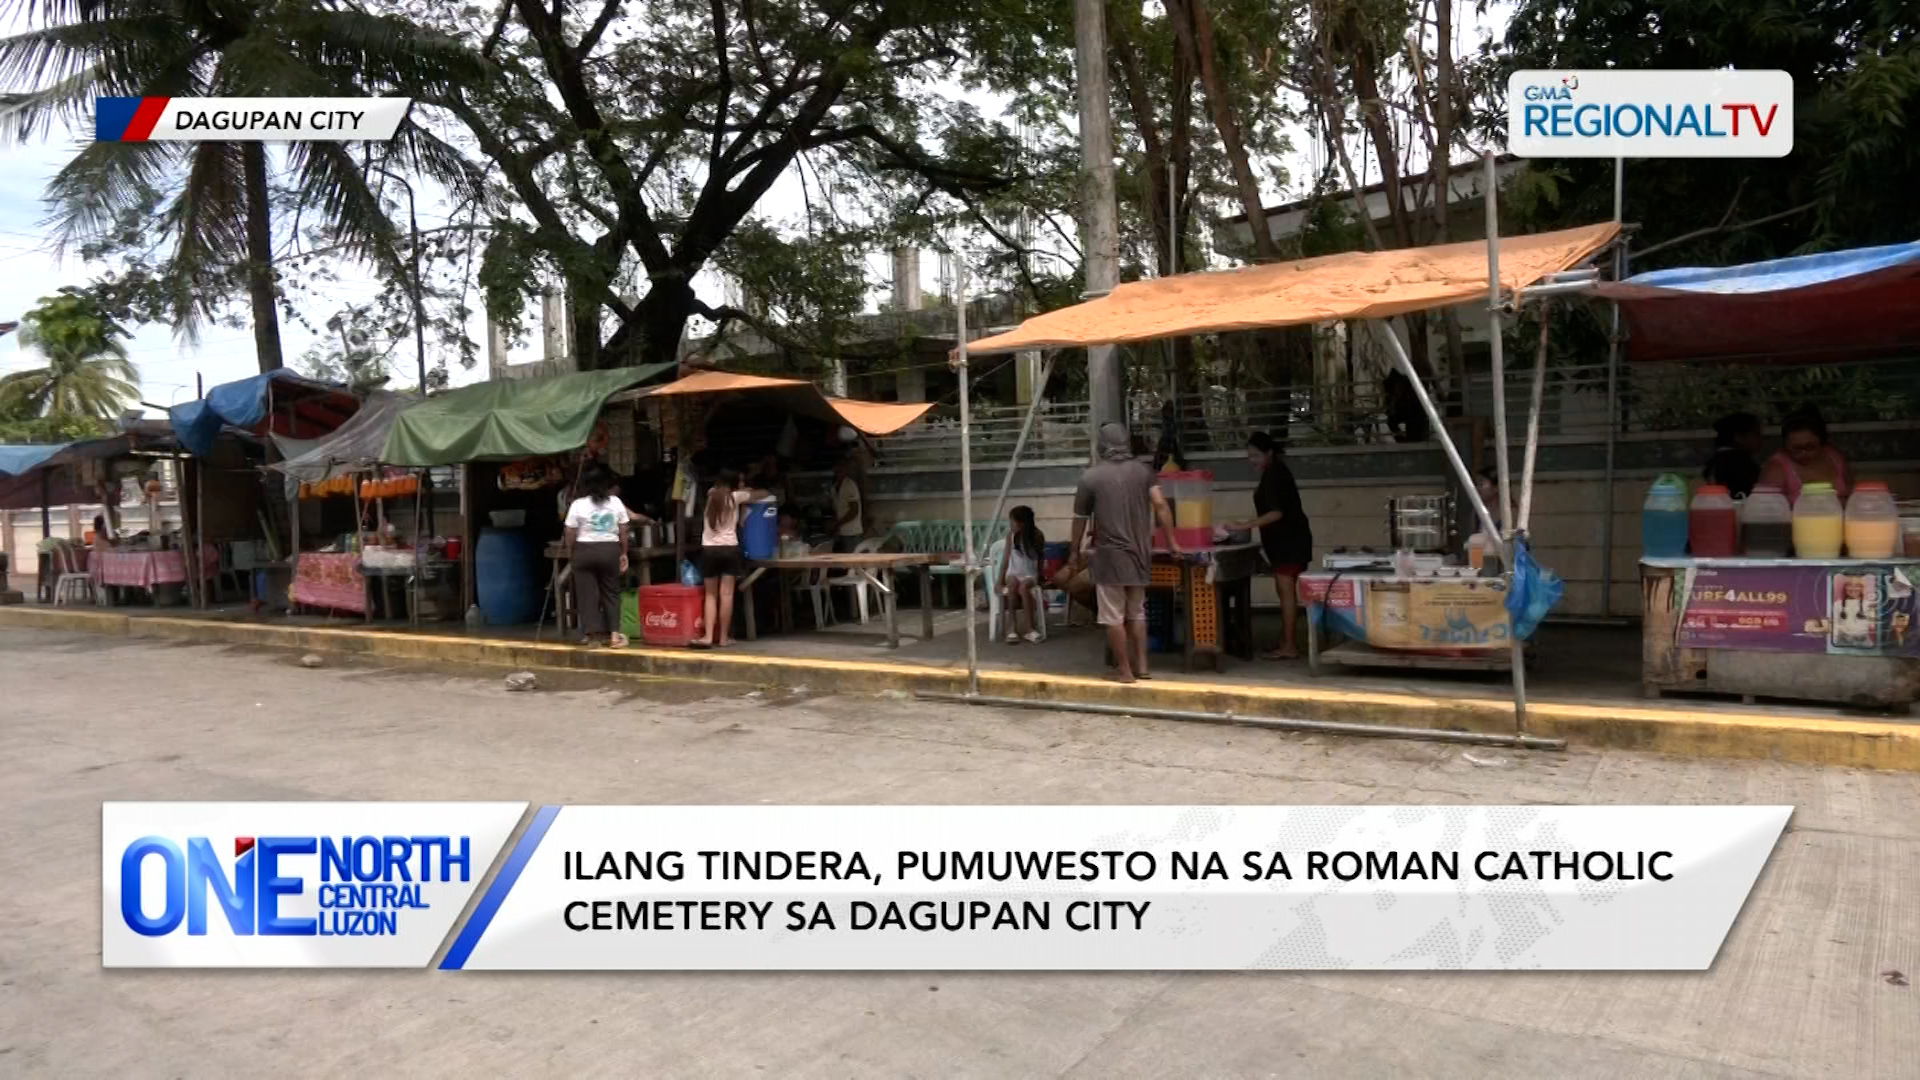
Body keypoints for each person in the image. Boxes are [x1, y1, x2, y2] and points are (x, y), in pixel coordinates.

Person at [1072, 422, 1182, 684]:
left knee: (1113, 616)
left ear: (1102, 444)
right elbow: (1161, 506)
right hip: (1139, 554)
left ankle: (1124, 670)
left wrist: (1073, 551)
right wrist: (1172, 543)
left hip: (1109, 557)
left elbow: (1079, 518)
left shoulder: (1090, 477)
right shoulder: (1144, 473)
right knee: (1137, 612)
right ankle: (1142, 665)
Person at [1232, 432, 1313, 660]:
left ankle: (1289, 645)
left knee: (1286, 592)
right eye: (1249, 456)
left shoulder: (1275, 474)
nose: (1252, 461)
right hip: (1284, 542)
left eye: (1256, 455)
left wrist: (1246, 525)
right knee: (1283, 591)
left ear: (1269, 452)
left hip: (1289, 542)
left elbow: (1276, 512)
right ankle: (1284, 640)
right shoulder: (1274, 472)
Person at [693, 470, 764, 649]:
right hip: (729, 549)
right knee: (727, 595)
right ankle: (723, 638)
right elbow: (762, 494)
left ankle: (708, 637)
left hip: (709, 550)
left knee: (710, 595)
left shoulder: (711, 495)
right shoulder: (735, 497)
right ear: (733, 484)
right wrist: (748, 489)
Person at [562, 466, 630, 648]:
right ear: (607, 484)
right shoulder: (616, 502)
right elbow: (624, 530)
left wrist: (571, 552)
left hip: (584, 551)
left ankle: (592, 636)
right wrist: (624, 553)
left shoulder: (578, 504)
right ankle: (614, 635)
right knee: (612, 592)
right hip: (609, 550)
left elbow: (569, 531)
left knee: (587, 595)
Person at [1759, 409, 1853, 504]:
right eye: (1796, 448)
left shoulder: (1834, 456)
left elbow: (1850, 493)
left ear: (1822, 442)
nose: (1803, 453)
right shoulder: (1776, 467)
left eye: (1810, 447)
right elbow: (1766, 507)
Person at [996, 505, 1046, 644]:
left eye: (1012, 522)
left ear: (1022, 523)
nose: (1010, 525)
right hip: (1013, 573)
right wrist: (999, 582)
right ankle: (1011, 628)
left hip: (1030, 575)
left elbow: (1041, 558)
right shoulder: (1010, 536)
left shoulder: (1037, 536)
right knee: (1012, 586)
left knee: (1023, 588)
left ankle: (1029, 628)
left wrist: (1040, 577)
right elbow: (1005, 560)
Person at [1703, 412, 1764, 498]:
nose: (1761, 440)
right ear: (1738, 437)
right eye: (1756, 434)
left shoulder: (1715, 461)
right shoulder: (1742, 463)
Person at [830, 457, 864, 553]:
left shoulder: (850, 485)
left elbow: (854, 511)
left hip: (853, 532)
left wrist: (837, 524)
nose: (840, 469)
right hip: (842, 532)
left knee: (854, 561)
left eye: (843, 467)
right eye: (838, 467)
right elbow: (835, 509)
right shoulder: (833, 487)